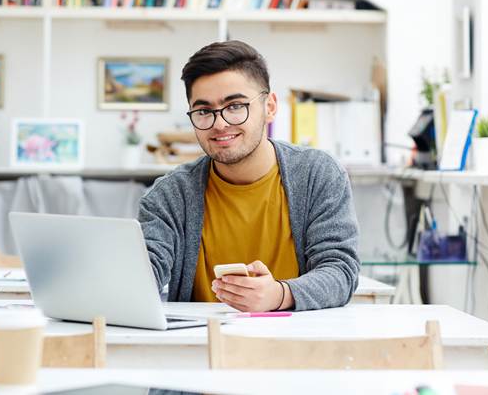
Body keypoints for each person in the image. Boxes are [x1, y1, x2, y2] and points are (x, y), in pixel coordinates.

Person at [138, 40, 360, 312]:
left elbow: (340, 271)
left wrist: (280, 295)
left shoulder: (318, 175)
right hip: (201, 346)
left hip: (298, 343)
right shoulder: (169, 196)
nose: (219, 124)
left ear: (270, 107)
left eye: (235, 106)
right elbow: (145, 272)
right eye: (204, 111)